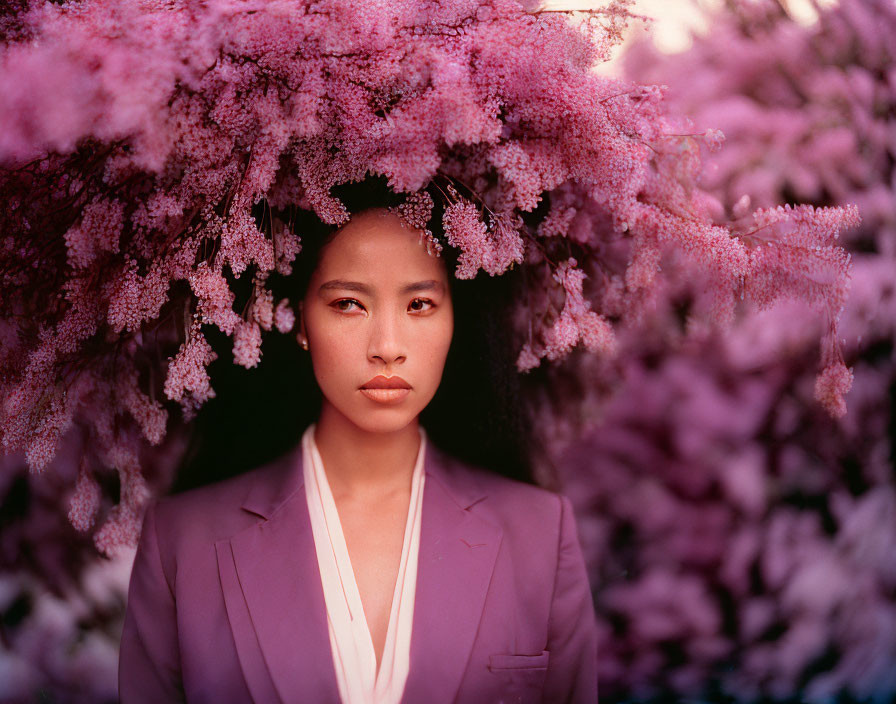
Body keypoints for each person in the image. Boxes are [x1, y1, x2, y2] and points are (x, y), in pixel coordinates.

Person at [118, 177, 599, 703]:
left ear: (457, 317)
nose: (387, 347)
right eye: (349, 304)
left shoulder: (539, 535)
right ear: (300, 319)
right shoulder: (184, 543)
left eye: (419, 305)